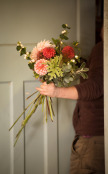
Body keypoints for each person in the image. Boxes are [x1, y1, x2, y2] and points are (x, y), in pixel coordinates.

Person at [36, 29, 104, 174]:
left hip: (92, 140)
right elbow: (97, 74)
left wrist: (56, 92)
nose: (101, 30)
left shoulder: (103, 48)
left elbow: (97, 86)